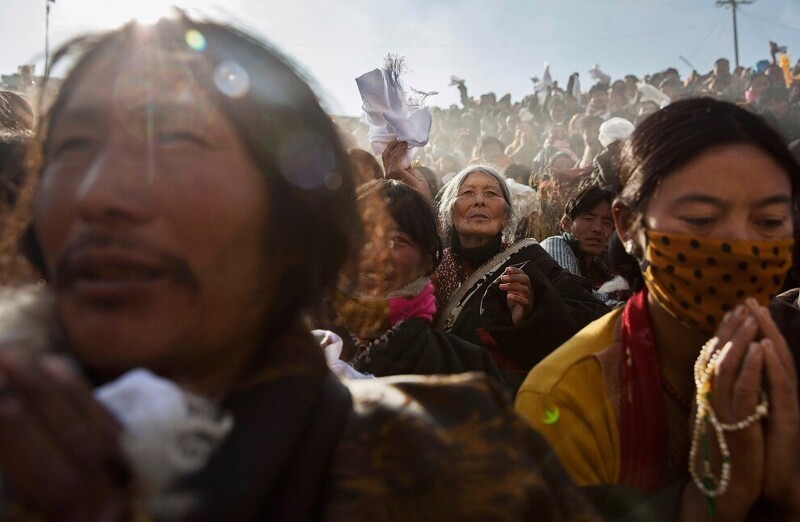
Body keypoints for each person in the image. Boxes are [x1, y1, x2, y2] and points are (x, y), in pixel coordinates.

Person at [0, 13, 601, 521]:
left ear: (293, 220)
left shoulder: (452, 461)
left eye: (177, 146)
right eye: (73, 150)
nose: (100, 193)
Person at [516, 98, 800, 520]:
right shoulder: (565, 398)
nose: (742, 246)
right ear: (629, 226)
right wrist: (711, 504)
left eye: (769, 222)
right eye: (702, 219)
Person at [432, 164, 608, 392]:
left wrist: (536, 308)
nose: (479, 201)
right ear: (450, 212)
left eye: (491, 194)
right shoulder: (432, 267)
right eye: (467, 193)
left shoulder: (531, 259)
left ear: (506, 216)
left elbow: (593, 319)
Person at [324, 179, 506, 386]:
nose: (374, 253)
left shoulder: (465, 368)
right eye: (361, 235)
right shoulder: (296, 336)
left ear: (426, 261)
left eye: (396, 239)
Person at [541, 184, 623, 306]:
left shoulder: (596, 268)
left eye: (606, 222)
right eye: (588, 218)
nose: (597, 228)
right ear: (566, 224)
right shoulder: (555, 244)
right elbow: (572, 290)